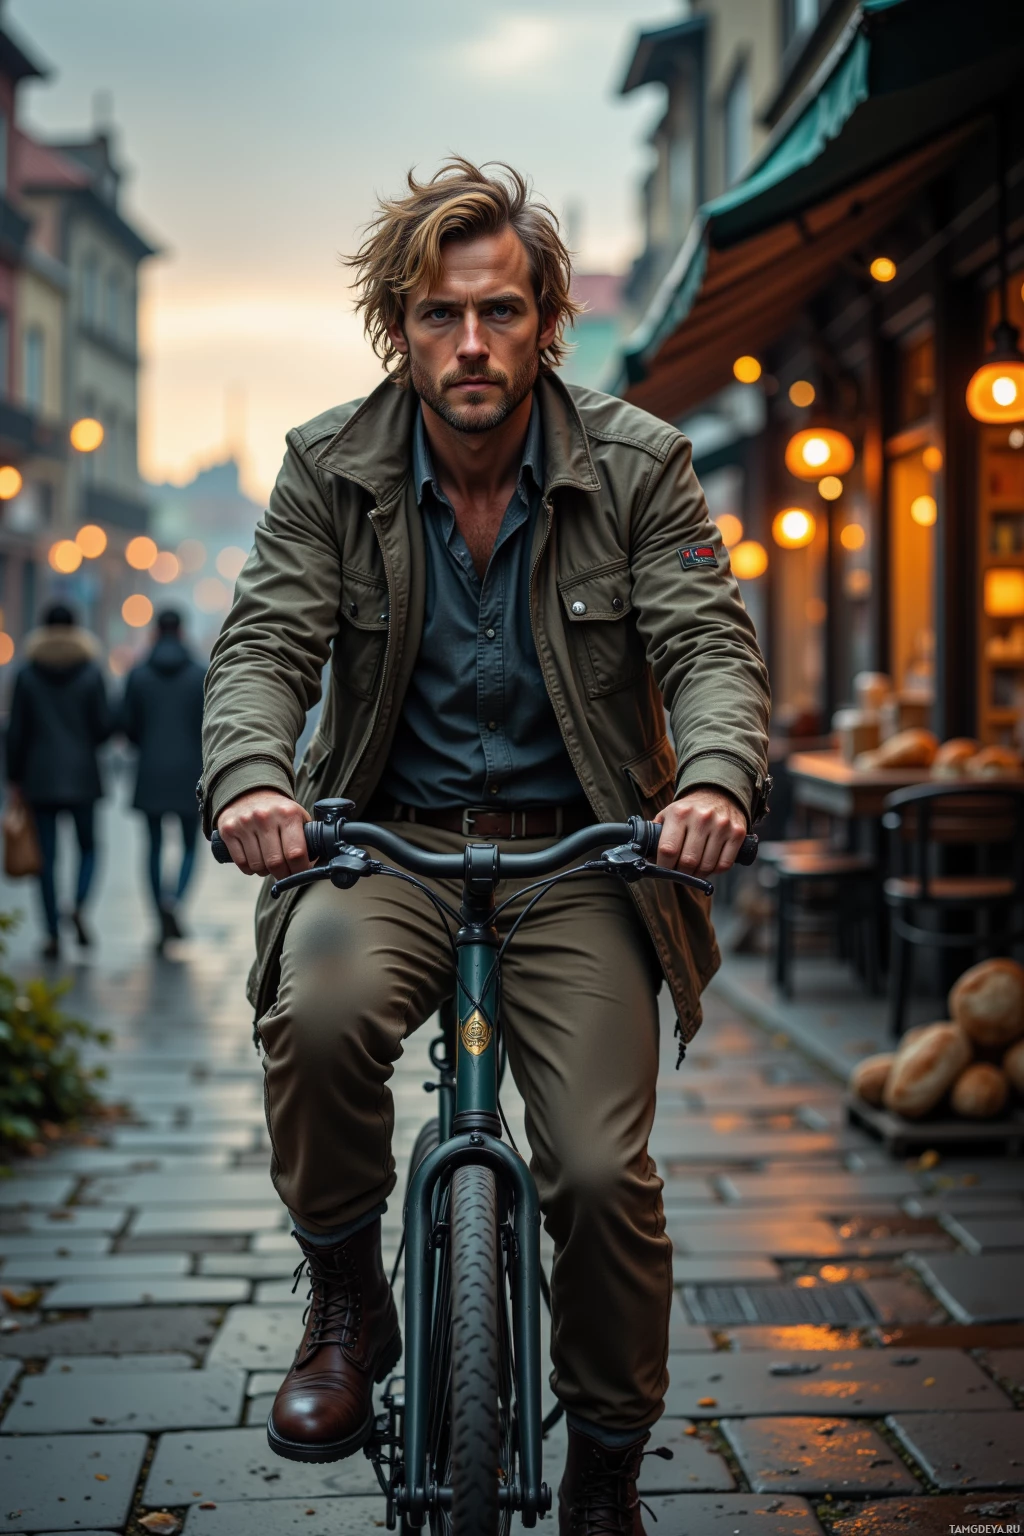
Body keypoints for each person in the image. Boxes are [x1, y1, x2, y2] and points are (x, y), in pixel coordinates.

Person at [202, 159, 770, 1533]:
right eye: (443, 315)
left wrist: (711, 779)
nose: (472, 343)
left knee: (594, 1168)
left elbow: (707, 648)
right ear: (400, 326)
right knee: (320, 1015)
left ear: (548, 320)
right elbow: (267, 646)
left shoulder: (640, 465)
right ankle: (348, 1302)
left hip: (583, 857)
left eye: (503, 312)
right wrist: (251, 779)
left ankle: (608, 1469)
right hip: (381, 847)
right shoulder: (328, 467)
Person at [5, 602, 111, 960]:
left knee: (45, 857)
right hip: (82, 776)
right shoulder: (91, 671)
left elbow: (16, 732)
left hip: (39, 778)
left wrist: (14, 777)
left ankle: (51, 931)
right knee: (89, 848)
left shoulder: (27, 672)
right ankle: (78, 904)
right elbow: (103, 727)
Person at [119, 609, 206, 949]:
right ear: (182, 632)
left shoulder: (138, 675)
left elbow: (126, 726)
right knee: (188, 846)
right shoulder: (200, 674)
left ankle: (159, 911)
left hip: (150, 772)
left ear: (156, 632)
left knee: (153, 846)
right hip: (190, 774)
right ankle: (175, 900)